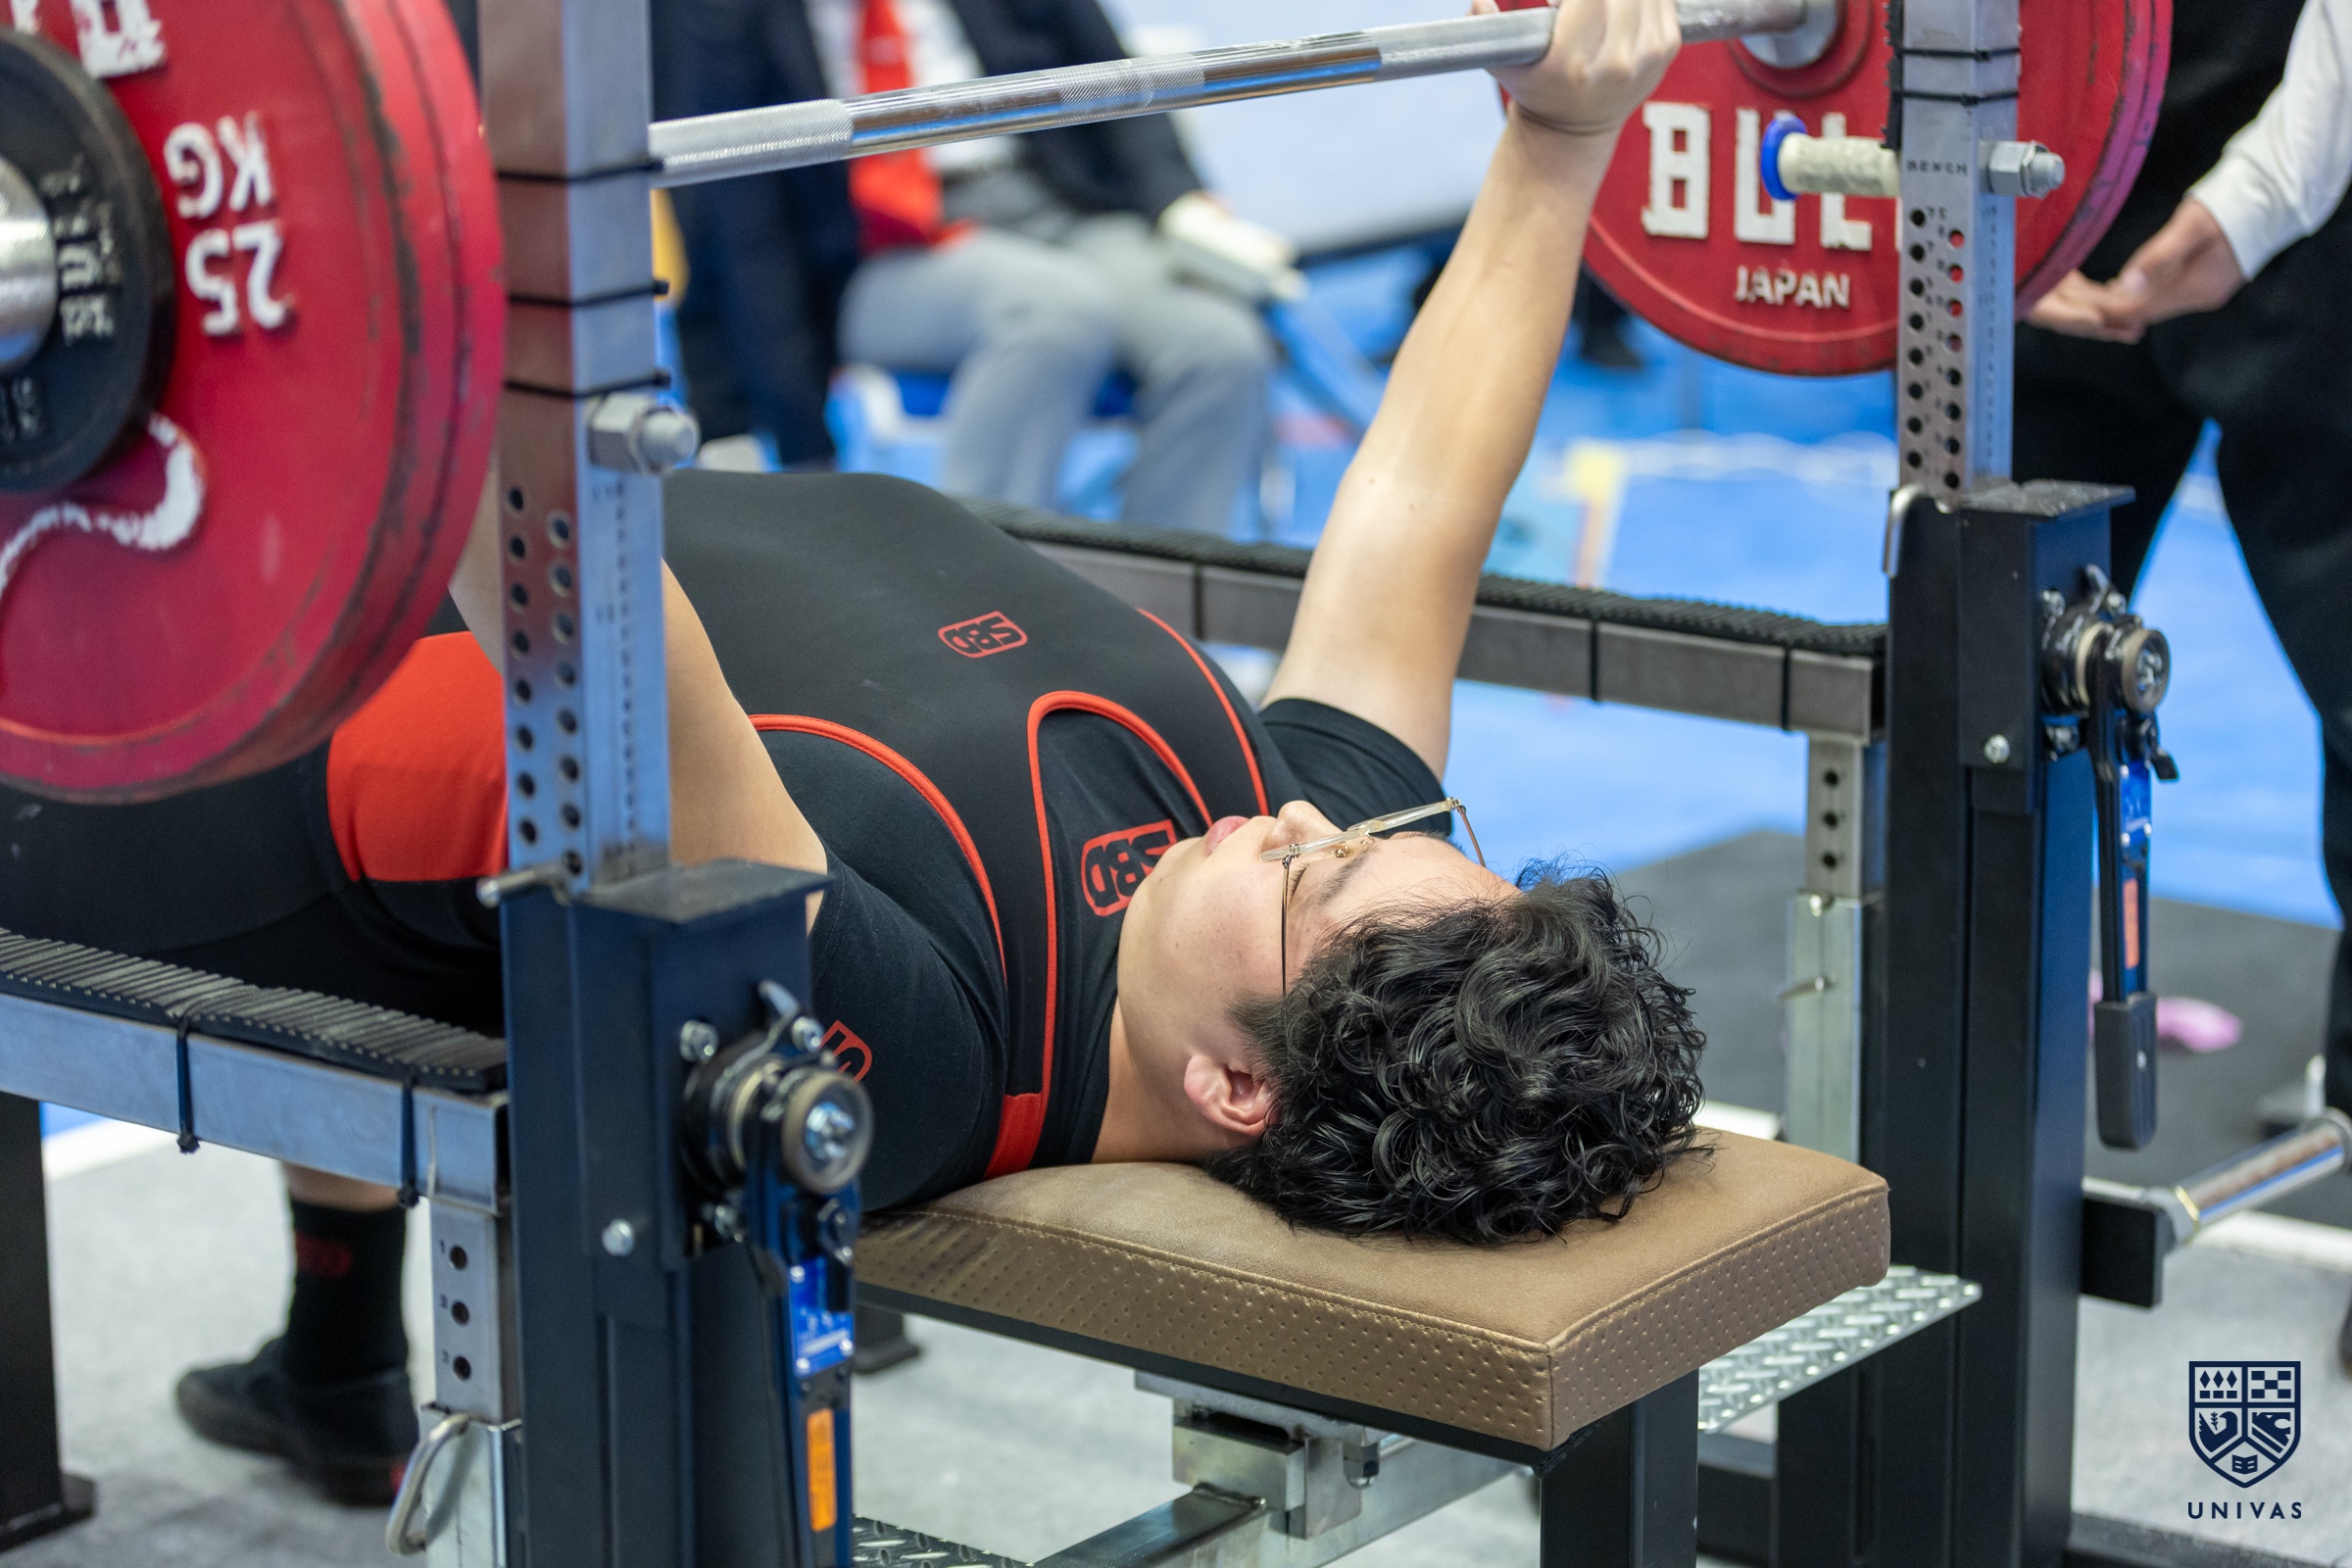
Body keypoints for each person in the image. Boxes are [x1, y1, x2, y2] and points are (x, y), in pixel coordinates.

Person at [0, 0, 1696, 1501]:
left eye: (1314, 872)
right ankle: (330, 1361)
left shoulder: (931, 1059)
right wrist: (1561, 141)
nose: (1309, 810)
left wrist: (407, 225)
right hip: (327, 587)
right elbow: (1415, 520)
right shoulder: (1301, 889)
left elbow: (588, 609)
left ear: (1236, 1091)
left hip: (162, 736)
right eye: (1362, 834)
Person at [2014, 0, 2352, 1371]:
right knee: (1980, 696)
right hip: (2045, 176)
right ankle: (1951, 1168)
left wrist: (2254, 202)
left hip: (2321, 184)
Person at [651, 0, 1294, 534]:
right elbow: (733, 219)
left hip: (1052, 196)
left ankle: (1159, 624)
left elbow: (1107, 63)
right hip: (881, 247)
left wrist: (1180, 201)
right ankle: (985, 607)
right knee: (1053, 313)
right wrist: (785, 438)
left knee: (1219, 346)